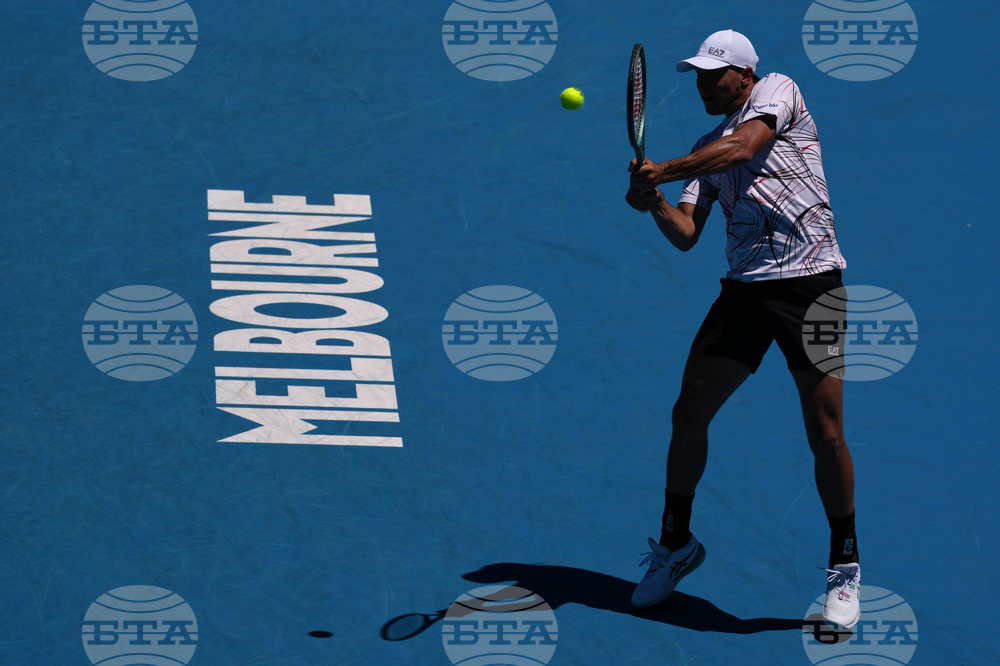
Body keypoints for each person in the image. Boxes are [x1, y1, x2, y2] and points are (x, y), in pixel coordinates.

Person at [624, 29, 861, 629]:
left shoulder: (780, 91)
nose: (703, 84)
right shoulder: (706, 146)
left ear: (745, 76)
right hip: (746, 291)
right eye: (699, 76)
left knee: (826, 432)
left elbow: (742, 149)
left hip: (813, 287)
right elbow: (686, 233)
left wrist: (665, 166)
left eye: (713, 74)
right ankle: (675, 545)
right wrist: (653, 198)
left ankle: (845, 564)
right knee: (688, 414)